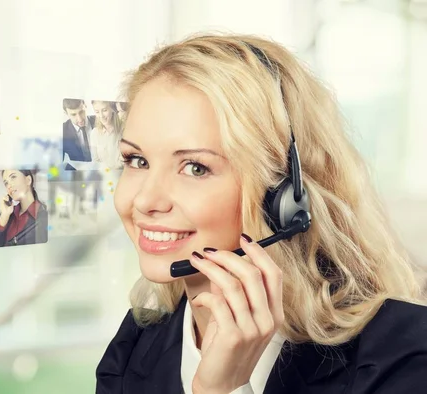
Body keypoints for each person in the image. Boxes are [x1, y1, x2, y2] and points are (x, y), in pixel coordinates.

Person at [95, 33, 427, 394]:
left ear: (283, 194)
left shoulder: (404, 359)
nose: (145, 200)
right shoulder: (135, 344)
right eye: (137, 160)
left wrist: (224, 388)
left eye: (194, 167)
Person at [0, 170, 48, 248]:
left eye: (13, 177)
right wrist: (3, 218)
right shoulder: (8, 215)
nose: (8, 186)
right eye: (6, 183)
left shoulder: (44, 218)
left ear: (28, 180)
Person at [89, 100, 124, 169]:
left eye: (104, 110)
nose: (101, 116)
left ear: (112, 109)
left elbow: (125, 160)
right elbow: (95, 160)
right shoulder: (94, 133)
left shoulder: (123, 129)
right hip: (104, 176)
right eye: (97, 112)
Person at [62, 98, 96, 166]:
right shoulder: (62, 131)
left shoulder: (100, 122)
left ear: (85, 106)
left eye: (81, 112)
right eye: (73, 114)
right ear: (66, 113)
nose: (80, 119)